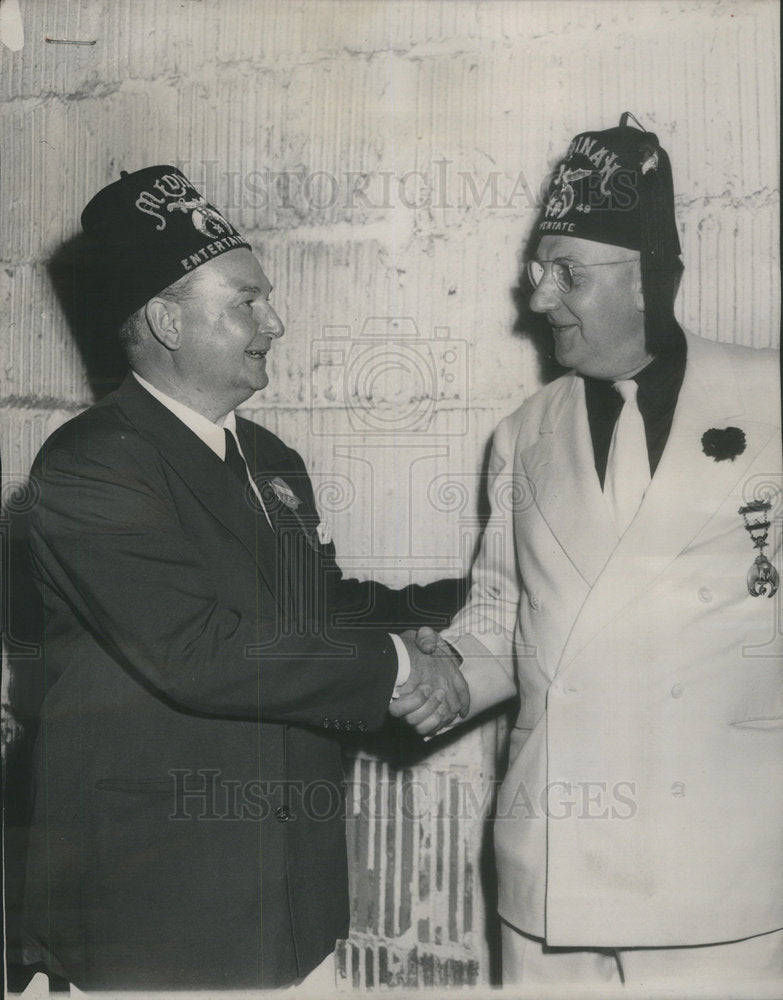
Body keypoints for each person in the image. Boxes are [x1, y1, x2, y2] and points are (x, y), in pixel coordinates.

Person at [21, 165, 468, 992]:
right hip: (153, 915)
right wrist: (401, 670)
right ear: (165, 321)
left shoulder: (268, 459)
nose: (276, 321)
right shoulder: (91, 467)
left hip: (288, 906)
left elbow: (318, 609)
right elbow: (199, 651)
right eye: (246, 303)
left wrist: (448, 613)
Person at [392, 117, 783, 991]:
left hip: (721, 872)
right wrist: (443, 670)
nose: (539, 300)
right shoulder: (522, 435)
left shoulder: (771, 397)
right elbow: (503, 612)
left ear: (647, 280)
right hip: (553, 864)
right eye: (537, 272)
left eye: (565, 273)